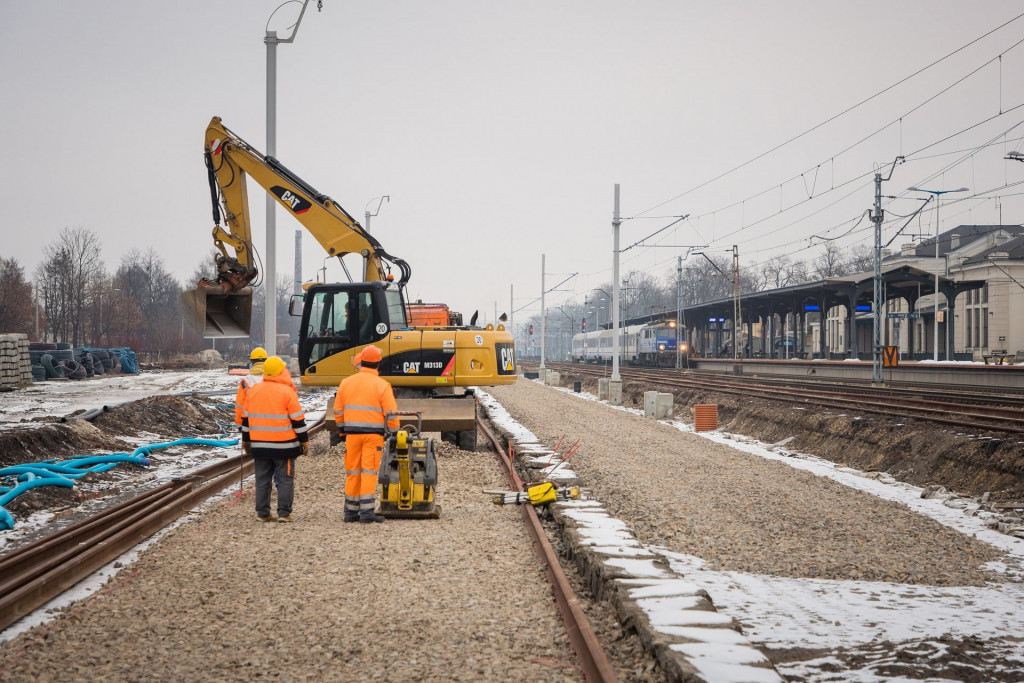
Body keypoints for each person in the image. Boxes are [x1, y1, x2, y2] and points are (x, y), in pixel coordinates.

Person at [333, 345, 398, 523]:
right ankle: (367, 513)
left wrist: (342, 430)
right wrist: (394, 433)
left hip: (351, 435)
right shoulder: (382, 385)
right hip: (373, 436)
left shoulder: (346, 383)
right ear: (378, 364)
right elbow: (390, 413)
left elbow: (338, 411)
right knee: (368, 472)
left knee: (353, 472)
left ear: (361, 362)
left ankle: (350, 512)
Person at [241, 356, 308, 522]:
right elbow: (298, 421)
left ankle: (263, 514)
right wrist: (304, 441)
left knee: (262, 480)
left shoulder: (254, 390)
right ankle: (284, 514)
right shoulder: (287, 392)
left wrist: (246, 440)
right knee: (285, 480)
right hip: (284, 447)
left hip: (259, 447)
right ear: (280, 372)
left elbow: (245, 420)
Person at [234, 347, 267, 427]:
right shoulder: (274, 378)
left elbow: (240, 405)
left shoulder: (246, 381)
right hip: (275, 424)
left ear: (251, 362)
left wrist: (239, 424)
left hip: (252, 424)